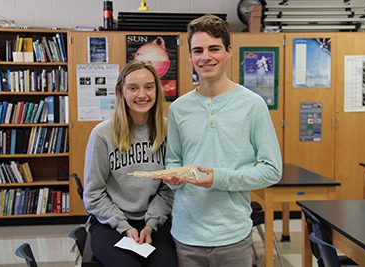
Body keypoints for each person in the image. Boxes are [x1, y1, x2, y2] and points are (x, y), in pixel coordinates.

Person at [165, 14, 283, 267]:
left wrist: (219, 179)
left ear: (229, 51)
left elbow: (272, 170)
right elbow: (173, 161)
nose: (205, 57)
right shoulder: (178, 109)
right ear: (190, 57)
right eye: (198, 50)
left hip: (233, 234)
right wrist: (173, 178)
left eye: (214, 48)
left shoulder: (252, 105)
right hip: (187, 235)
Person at [83, 60, 177, 267]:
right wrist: (124, 227)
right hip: (110, 224)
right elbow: (93, 194)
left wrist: (151, 225)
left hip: (155, 222)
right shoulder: (102, 135)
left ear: (157, 91)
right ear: (121, 91)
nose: (142, 94)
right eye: (133, 88)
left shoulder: (168, 130)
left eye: (149, 87)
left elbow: (168, 190)